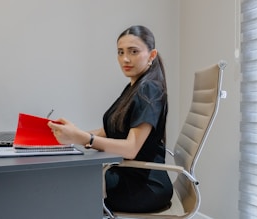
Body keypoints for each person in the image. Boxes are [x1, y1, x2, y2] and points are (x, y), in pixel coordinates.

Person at [48, 25, 173, 213]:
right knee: (69, 180)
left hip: (144, 186)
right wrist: (73, 134)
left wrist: (83, 139)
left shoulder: (149, 90)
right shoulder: (134, 87)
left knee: (68, 184)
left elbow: (131, 148)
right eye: (120, 52)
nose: (125, 59)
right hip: (128, 175)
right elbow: (111, 129)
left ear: (152, 55)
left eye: (133, 51)